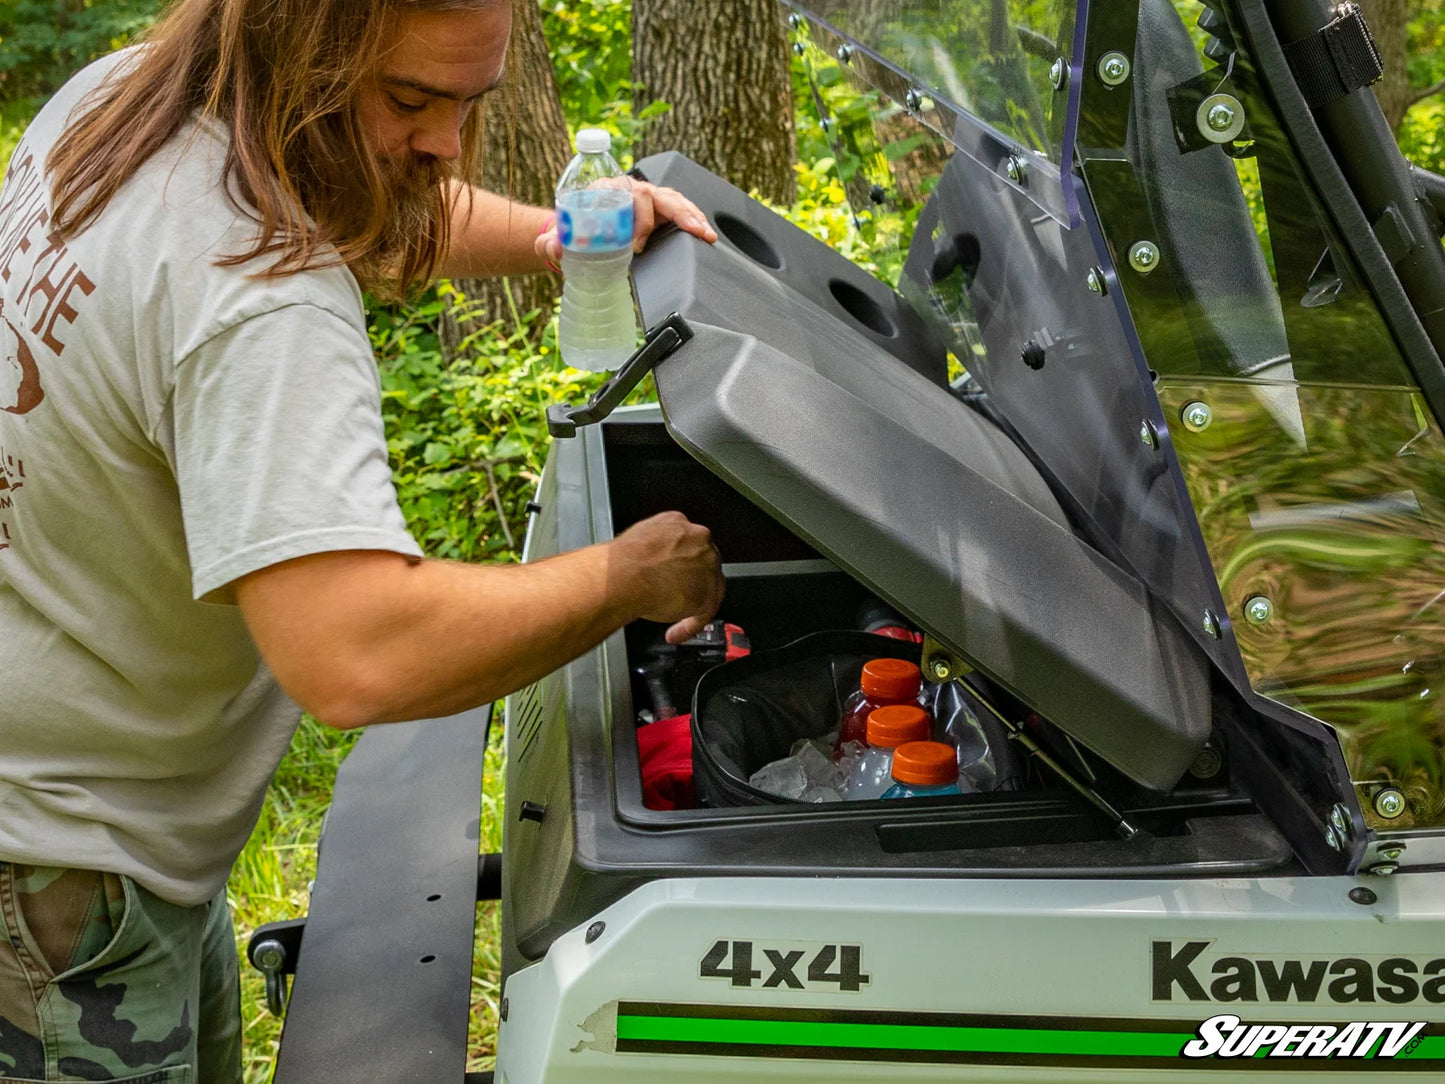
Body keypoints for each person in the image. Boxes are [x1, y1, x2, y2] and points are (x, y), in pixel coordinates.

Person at [0, 0, 725, 1079]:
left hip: (91, 820)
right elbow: (356, 649)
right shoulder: (255, 295)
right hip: (62, 878)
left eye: (467, 103)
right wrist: (627, 575)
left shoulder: (123, 103)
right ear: (301, 49)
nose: (443, 142)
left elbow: (377, 210)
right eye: (409, 100)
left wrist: (557, 233)